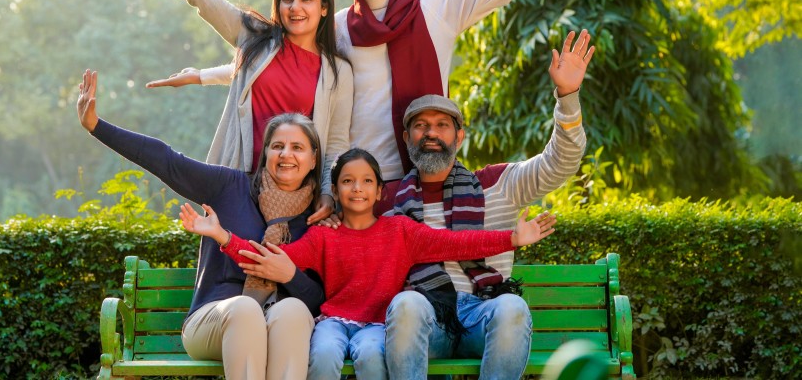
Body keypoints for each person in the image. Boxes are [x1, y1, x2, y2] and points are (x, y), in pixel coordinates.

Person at [175, 0, 613, 210]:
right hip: (357, 183)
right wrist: (203, 75)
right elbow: (284, 62)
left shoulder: (436, 7)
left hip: (419, 175)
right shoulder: (342, 27)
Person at [179, 148, 557, 380]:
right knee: (324, 354)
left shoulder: (402, 231)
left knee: (375, 358)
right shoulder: (324, 236)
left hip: (378, 325)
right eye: (347, 181)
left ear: (379, 190)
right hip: (333, 321)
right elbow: (266, 259)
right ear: (337, 190)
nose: (356, 188)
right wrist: (222, 236)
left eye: (365, 181)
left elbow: (456, 242)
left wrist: (511, 238)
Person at [90, 0, 353, 222]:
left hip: (297, 198)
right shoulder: (255, 39)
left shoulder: (337, 71)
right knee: (228, 260)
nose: (295, 7)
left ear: (323, 7)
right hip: (237, 183)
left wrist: (327, 193)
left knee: (281, 268)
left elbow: (335, 145)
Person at [76, 69, 326, 380]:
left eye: (297, 147)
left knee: (294, 310)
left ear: (314, 159)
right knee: (245, 311)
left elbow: (319, 300)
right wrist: (96, 127)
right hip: (213, 319)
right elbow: (166, 160)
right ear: (266, 153)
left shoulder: (319, 217)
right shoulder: (228, 185)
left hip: (276, 321)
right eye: (277, 146)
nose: (285, 154)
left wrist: (289, 274)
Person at [383, 29, 595, 379]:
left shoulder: (498, 184)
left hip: (484, 316)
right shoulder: (391, 203)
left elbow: (562, 161)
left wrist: (568, 96)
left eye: (442, 125)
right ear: (407, 138)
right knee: (405, 303)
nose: (431, 133)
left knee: (512, 307)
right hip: (428, 320)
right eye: (421, 126)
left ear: (460, 137)